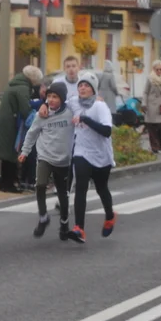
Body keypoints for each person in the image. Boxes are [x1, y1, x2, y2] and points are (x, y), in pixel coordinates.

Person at [19, 82, 75, 240]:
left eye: (55, 97)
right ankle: (43, 218)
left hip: (64, 159)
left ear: (62, 99)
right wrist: (25, 151)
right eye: (49, 96)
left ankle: (64, 224)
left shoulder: (70, 112)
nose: (51, 100)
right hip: (45, 156)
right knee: (40, 185)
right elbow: (31, 133)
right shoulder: (42, 114)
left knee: (62, 194)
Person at [68, 73, 116, 243]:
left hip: (101, 154)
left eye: (87, 85)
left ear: (93, 89)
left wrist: (85, 119)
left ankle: (110, 216)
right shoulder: (74, 102)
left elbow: (106, 131)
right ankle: (79, 228)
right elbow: (57, 103)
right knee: (80, 187)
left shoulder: (100, 106)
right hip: (82, 152)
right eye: (80, 85)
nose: (82, 88)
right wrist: (45, 105)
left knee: (102, 188)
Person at [0, 65, 42, 193]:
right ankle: (8, 185)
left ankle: (4, 182)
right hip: (11, 124)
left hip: (5, 122)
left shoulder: (15, 84)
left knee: (6, 155)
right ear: (33, 79)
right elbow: (25, 109)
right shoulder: (23, 88)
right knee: (11, 154)